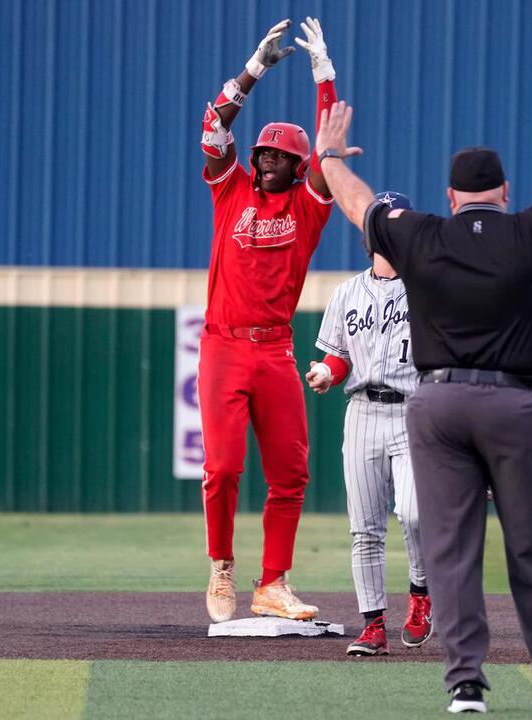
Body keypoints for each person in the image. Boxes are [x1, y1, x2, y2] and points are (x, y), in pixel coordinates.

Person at [313, 87, 532, 713]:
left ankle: (465, 683)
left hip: (438, 406)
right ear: (506, 191)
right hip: (515, 405)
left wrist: (330, 154)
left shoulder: (420, 235)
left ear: (450, 198)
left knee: (450, 547)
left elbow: (360, 204)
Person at [198, 17, 351, 623]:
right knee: (224, 467)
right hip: (224, 346)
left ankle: (273, 584)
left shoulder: (310, 206)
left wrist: (324, 76)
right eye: (261, 153)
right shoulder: (230, 190)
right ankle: (221, 568)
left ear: (296, 166)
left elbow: (330, 149)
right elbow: (213, 131)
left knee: (291, 473)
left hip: (276, 350)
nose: (263, 162)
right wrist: (252, 70)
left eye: (276, 157)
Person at [305, 192, 432, 657]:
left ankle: (421, 595)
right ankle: (373, 624)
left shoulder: (429, 286)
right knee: (365, 527)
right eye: (382, 222)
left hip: (414, 412)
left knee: (416, 513)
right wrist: (324, 371)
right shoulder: (346, 292)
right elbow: (338, 355)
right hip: (362, 411)